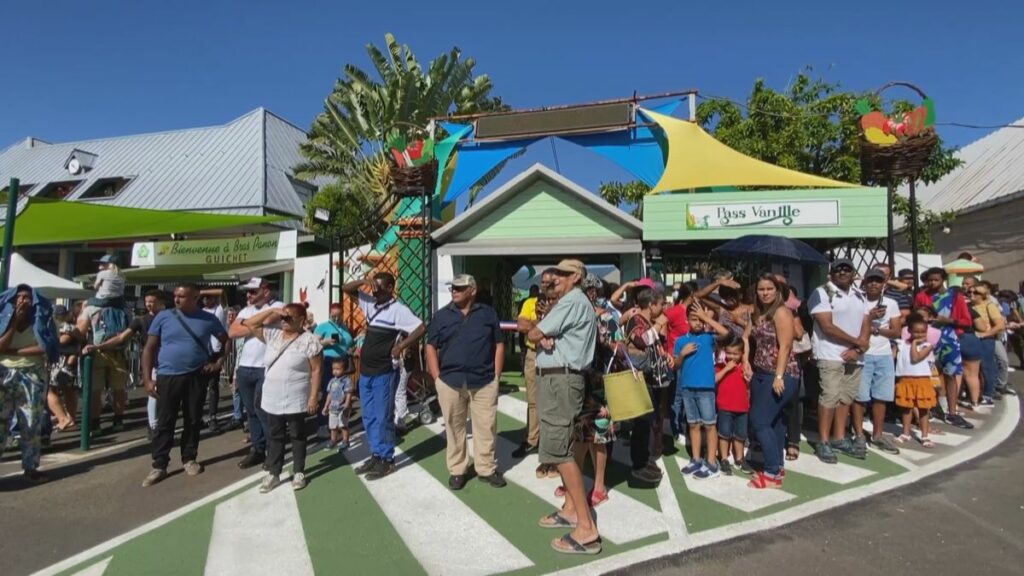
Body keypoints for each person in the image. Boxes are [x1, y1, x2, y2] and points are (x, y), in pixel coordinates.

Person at [527, 259, 601, 555]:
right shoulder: (571, 301)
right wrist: (544, 333)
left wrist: (541, 332)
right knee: (566, 446)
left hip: (562, 380)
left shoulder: (571, 301)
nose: (555, 277)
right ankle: (571, 509)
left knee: (559, 450)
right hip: (561, 379)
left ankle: (586, 528)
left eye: (562, 274)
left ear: (576, 278)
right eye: (555, 273)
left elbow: (533, 333)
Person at [425, 274, 507, 490]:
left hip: (484, 380)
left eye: (460, 288)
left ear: (473, 290)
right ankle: (458, 469)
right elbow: (430, 346)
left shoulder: (488, 313)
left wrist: (497, 376)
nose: (454, 291)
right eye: (453, 287)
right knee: (454, 426)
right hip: (450, 381)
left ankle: (486, 468)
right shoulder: (441, 316)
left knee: (486, 426)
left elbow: (499, 344)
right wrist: (436, 378)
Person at [141, 283, 227, 487]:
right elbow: (149, 348)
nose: (177, 299)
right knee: (165, 421)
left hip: (196, 375)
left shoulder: (208, 318)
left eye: (182, 296)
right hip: (167, 375)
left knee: (193, 418)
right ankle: (159, 464)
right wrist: (147, 379)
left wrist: (218, 363)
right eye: (176, 296)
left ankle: (189, 458)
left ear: (195, 297)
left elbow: (226, 340)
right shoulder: (164, 317)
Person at [343, 271, 425, 481]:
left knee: (383, 418)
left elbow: (420, 327)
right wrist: (363, 281)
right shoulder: (371, 303)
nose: (375, 291)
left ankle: (387, 460)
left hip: (384, 372)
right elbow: (346, 289)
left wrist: (401, 346)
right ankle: (376, 454)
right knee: (369, 417)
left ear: (390, 288)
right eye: (374, 287)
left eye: (380, 288)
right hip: (366, 372)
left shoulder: (398, 310)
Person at [241, 303, 323, 493]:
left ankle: (298, 471)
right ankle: (274, 472)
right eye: (283, 318)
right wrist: (271, 312)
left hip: (296, 397)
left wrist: (313, 397)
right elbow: (251, 325)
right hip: (273, 396)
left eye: (289, 318)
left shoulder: (310, 341)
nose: (284, 321)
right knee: (276, 435)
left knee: (297, 435)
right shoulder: (273, 335)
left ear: (301, 320)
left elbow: (317, 370)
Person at [808, 259, 870, 464]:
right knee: (830, 396)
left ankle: (839, 437)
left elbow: (866, 321)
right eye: (838, 269)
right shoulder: (822, 292)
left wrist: (859, 348)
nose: (842, 272)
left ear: (853, 273)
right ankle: (823, 441)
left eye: (847, 269)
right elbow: (827, 327)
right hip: (831, 353)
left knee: (846, 398)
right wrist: (857, 343)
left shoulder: (860, 294)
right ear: (831, 273)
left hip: (855, 355)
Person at [85, 289, 168, 440]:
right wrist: (99, 347)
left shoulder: (171, 318)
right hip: (154, 363)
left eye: (152, 301)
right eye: (147, 301)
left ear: (162, 303)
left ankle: (162, 424)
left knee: (169, 397)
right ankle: (153, 426)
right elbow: (122, 338)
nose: (149, 304)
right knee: (153, 396)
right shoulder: (140, 320)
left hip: (172, 362)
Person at [0, 284, 59, 483]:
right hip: (4, 372)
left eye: (27, 297)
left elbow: (44, 347)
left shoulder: (42, 320)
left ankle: (31, 467)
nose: (22, 300)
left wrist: (14, 352)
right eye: (19, 297)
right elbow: (1, 346)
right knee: (1, 421)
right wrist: (14, 321)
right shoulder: (4, 320)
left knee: (31, 421)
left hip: (33, 372)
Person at [747, 274, 801, 488]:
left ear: (778, 291)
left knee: (759, 421)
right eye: (761, 289)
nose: (765, 292)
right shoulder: (759, 313)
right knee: (774, 420)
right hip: (761, 372)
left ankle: (770, 473)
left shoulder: (782, 312)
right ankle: (777, 467)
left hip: (780, 374)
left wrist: (779, 376)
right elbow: (747, 336)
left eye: (770, 289)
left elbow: (786, 346)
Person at [229, 277, 285, 469]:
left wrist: (248, 323)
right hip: (245, 366)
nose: (249, 295)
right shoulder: (246, 310)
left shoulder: (279, 305)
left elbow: (268, 320)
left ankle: (273, 451)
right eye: (248, 292)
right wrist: (252, 323)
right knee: (251, 411)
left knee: (264, 411)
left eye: (253, 291)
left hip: (266, 367)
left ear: (266, 291)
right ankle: (257, 449)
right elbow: (232, 332)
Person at [914, 268, 974, 429]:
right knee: (930, 375)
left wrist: (946, 320)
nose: (932, 283)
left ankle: (952, 412)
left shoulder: (955, 297)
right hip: (927, 340)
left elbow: (966, 321)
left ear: (943, 279)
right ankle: (933, 408)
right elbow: (915, 319)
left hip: (949, 340)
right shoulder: (922, 296)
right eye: (929, 280)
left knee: (951, 375)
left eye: (936, 280)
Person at [675, 303, 730, 479]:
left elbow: (726, 334)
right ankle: (696, 459)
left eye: (700, 319)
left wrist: (707, 319)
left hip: (705, 388)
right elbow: (675, 365)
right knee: (693, 424)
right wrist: (682, 354)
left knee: (709, 424)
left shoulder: (708, 338)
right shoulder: (681, 341)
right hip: (687, 388)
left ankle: (712, 463)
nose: (698, 323)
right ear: (687, 320)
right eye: (694, 319)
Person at [623, 287, 671, 484]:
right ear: (651, 305)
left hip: (648, 377)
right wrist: (658, 326)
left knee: (646, 421)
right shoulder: (636, 320)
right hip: (638, 377)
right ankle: (639, 464)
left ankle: (644, 459)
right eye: (660, 304)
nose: (663, 308)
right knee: (641, 422)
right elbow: (642, 341)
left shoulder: (646, 321)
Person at [853, 269, 902, 455]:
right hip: (863, 354)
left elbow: (896, 331)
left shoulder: (891, 303)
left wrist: (876, 329)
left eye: (878, 281)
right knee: (860, 397)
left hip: (883, 354)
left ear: (884, 284)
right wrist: (870, 319)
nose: (874, 284)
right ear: (864, 282)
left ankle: (878, 435)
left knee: (881, 396)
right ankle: (858, 434)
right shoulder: (858, 302)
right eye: (871, 280)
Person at [515, 268, 559, 478]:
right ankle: (532, 440)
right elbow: (521, 324)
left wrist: (538, 327)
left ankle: (554, 450)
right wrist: (540, 325)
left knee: (553, 405)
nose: (546, 285)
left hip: (555, 357)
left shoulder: (562, 302)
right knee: (533, 401)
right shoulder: (531, 303)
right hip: (533, 355)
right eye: (543, 282)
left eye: (550, 282)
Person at [76, 277, 133, 434]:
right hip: (120, 352)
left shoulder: (90, 308)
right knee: (119, 389)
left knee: (95, 389)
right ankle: (118, 420)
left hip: (97, 352)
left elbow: (80, 332)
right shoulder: (125, 309)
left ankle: (95, 424)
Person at [895, 314, 938, 448]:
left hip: (922, 379)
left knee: (923, 409)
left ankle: (924, 435)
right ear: (909, 331)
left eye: (922, 332)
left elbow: (915, 358)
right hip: (906, 379)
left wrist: (914, 343)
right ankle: (905, 432)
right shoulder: (901, 344)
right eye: (916, 332)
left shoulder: (928, 345)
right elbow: (894, 357)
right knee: (906, 408)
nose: (919, 334)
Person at [314, 303, 354, 435]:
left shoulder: (344, 327)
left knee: (342, 393)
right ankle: (322, 424)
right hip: (328, 362)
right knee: (329, 393)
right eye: (333, 315)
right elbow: (313, 343)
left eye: (338, 315)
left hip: (342, 362)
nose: (336, 318)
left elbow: (348, 342)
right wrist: (326, 341)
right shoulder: (323, 326)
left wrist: (350, 348)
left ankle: (337, 423)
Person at [715, 334, 750, 476]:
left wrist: (748, 375)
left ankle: (740, 459)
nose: (732, 356)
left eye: (735, 354)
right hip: (725, 406)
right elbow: (714, 379)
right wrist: (726, 369)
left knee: (740, 435)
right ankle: (724, 458)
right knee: (724, 434)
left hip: (742, 407)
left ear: (742, 354)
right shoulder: (720, 365)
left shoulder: (745, 366)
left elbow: (749, 376)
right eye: (729, 352)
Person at [967, 283, 1004, 406]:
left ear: (983, 295)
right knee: (973, 369)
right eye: (970, 292)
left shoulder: (989, 305)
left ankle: (988, 395)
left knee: (986, 367)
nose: (972, 294)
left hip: (986, 340)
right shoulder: (968, 305)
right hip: (972, 339)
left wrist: (985, 334)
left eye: (976, 292)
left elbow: (999, 325)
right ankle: (975, 394)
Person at [199, 289, 228, 433]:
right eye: (203, 298)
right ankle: (199, 416)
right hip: (203, 351)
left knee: (213, 386)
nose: (205, 300)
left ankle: (213, 417)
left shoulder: (219, 310)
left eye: (208, 298)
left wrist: (204, 290)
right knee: (200, 386)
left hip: (216, 350)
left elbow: (223, 297)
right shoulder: (200, 312)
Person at [47, 304, 78, 432]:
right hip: (65, 362)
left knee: (51, 391)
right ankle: (69, 418)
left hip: (63, 363)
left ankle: (63, 418)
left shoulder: (68, 327)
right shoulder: (68, 327)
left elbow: (62, 341)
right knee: (68, 391)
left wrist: (49, 340)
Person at [322, 358, 354, 450]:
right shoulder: (332, 381)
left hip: (343, 407)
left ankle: (345, 441)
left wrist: (347, 404)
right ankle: (333, 440)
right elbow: (329, 394)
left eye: (338, 369)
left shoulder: (346, 380)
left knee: (343, 425)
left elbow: (349, 393)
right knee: (333, 426)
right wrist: (326, 406)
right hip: (333, 407)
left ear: (344, 369)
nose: (335, 371)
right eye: (333, 369)